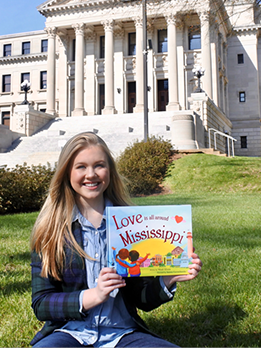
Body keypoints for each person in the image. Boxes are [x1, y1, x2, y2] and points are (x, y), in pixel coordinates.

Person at [30, 132, 203, 348]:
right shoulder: (51, 230)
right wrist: (93, 295)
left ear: (110, 170)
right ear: (67, 173)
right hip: (68, 332)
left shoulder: (132, 224)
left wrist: (168, 278)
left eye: (99, 165)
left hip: (121, 333)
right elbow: (41, 303)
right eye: (81, 167)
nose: (91, 174)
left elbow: (141, 299)